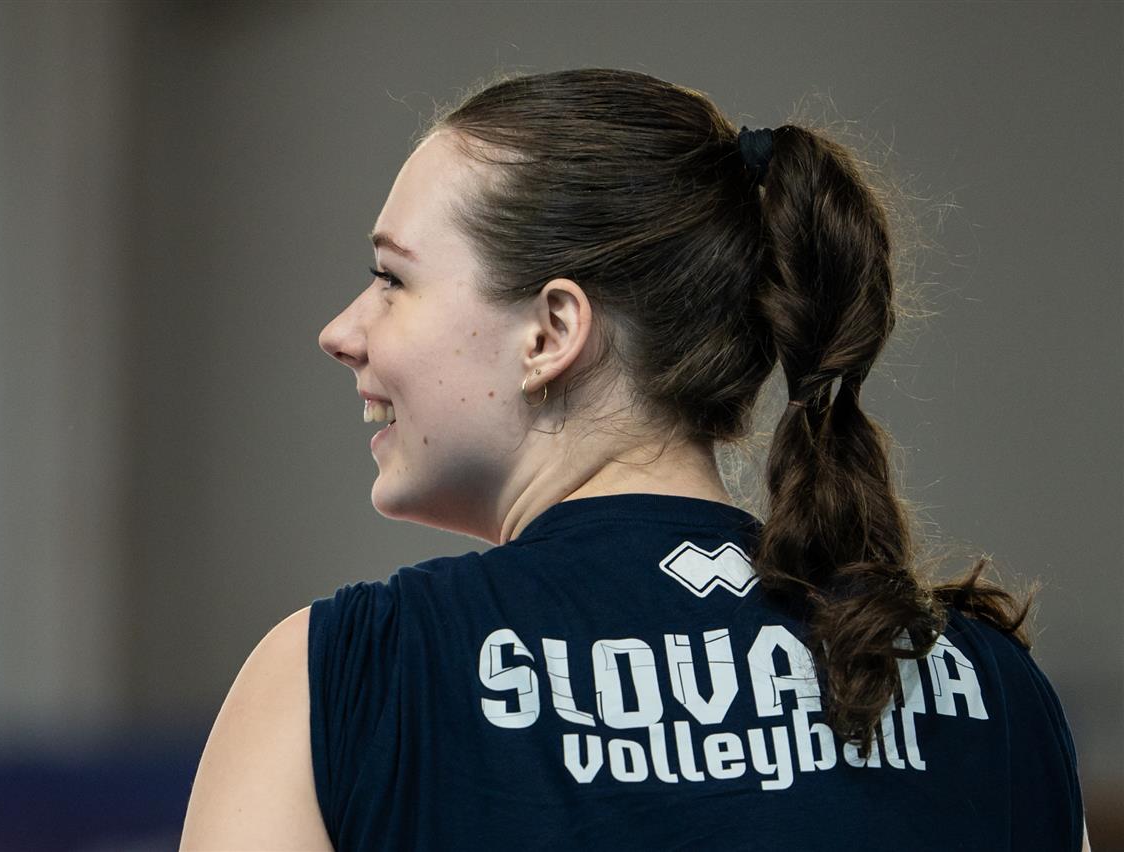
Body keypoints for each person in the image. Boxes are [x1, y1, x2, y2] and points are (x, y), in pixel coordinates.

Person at [180, 68, 1087, 851]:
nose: (341, 332)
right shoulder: (988, 687)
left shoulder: (344, 678)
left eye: (393, 279)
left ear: (551, 331)